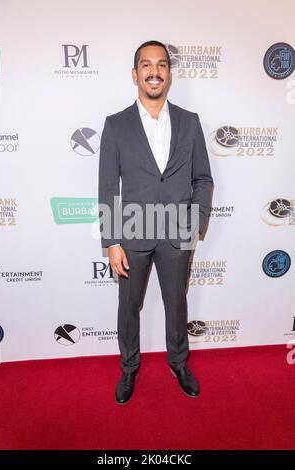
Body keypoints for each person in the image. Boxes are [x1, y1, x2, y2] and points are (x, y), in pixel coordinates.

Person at [98, 40, 213, 405]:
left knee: (176, 303)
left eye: (162, 65)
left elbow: (203, 179)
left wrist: (195, 221)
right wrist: (112, 240)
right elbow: (106, 186)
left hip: (177, 232)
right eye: (146, 65)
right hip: (132, 231)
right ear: (135, 74)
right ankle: (129, 367)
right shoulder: (115, 125)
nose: (154, 71)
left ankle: (179, 362)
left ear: (169, 73)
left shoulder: (190, 122)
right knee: (128, 305)